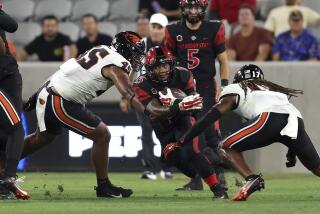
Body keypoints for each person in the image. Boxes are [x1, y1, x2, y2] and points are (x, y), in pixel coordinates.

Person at [164, 64, 320, 201]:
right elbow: (287, 122)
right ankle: (252, 179)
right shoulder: (273, 89)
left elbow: (209, 119)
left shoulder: (236, 87)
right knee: (316, 167)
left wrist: (182, 141)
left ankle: (252, 179)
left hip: (269, 118)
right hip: (296, 119)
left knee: (224, 146)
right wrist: (292, 152)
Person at [19, 31, 147, 198]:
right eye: (135, 53)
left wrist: (37, 93)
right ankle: (104, 186)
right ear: (125, 49)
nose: (137, 58)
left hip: (49, 92)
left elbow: (67, 70)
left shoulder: (101, 49)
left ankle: (3, 166)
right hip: (61, 99)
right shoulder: (118, 62)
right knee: (102, 135)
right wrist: (149, 111)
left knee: (42, 138)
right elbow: (128, 92)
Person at [134, 46, 228, 199]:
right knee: (177, 160)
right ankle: (211, 160)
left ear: (171, 64)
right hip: (162, 125)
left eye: (165, 65)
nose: (163, 70)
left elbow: (193, 97)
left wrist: (190, 101)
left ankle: (218, 189)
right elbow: (154, 110)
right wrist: (178, 105)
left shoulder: (183, 74)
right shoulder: (142, 83)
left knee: (191, 151)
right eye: (158, 67)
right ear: (150, 69)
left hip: (183, 118)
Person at [164, 0, 229, 190]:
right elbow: (169, 63)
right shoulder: (173, 31)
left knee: (210, 137)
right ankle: (197, 179)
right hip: (183, 91)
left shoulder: (214, 28)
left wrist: (224, 85)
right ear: (183, 9)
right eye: (189, 7)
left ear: (203, 9)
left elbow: (223, 60)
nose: (193, 11)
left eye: (197, 7)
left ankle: (220, 178)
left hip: (206, 89)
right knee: (186, 138)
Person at [120, 13, 172, 180]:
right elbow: (132, 71)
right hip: (142, 93)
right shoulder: (140, 45)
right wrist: (125, 96)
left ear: (165, 29)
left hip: (166, 93)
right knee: (147, 131)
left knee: (167, 132)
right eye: (153, 26)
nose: (156, 31)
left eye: (159, 27)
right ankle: (150, 168)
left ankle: (166, 167)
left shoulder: (172, 46)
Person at [0, 7, 30, 200]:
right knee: (15, 127)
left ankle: (4, 182)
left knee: (9, 131)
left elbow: (12, 26)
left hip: (9, 73)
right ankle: (8, 177)